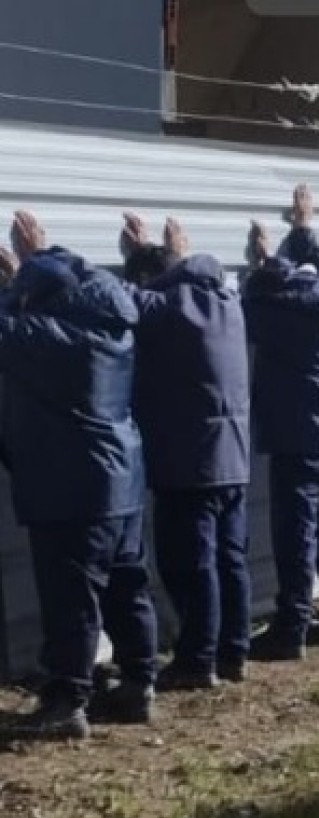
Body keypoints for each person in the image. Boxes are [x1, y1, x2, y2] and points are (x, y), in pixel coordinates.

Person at [0, 211, 157, 739]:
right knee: (124, 586)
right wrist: (29, 268)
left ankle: (67, 701)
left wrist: (22, 270)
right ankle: (138, 683)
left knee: (71, 596)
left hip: (71, 488)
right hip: (121, 480)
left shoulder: (45, 335)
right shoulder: (113, 323)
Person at [118, 213, 252, 690]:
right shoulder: (228, 303)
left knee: (191, 565)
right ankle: (234, 652)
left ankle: (198, 660)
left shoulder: (173, 307)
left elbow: (125, 302)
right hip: (232, 460)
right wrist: (165, 255)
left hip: (190, 464)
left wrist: (137, 257)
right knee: (229, 560)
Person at [244, 185, 319, 660]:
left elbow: (252, 300)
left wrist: (262, 263)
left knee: (296, 534)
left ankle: (291, 628)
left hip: (293, 433)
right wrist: (304, 228)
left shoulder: (275, 310)